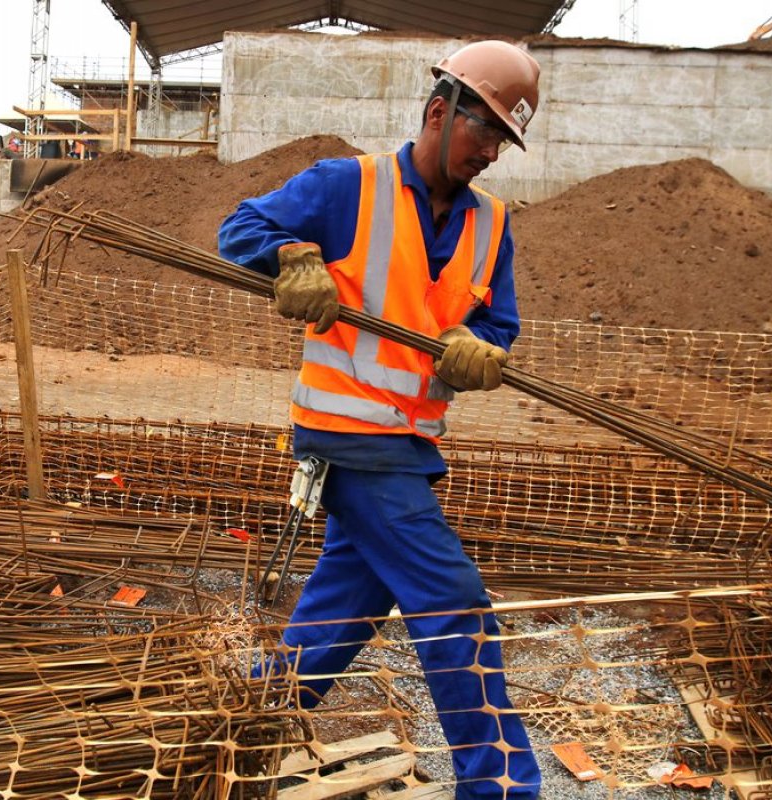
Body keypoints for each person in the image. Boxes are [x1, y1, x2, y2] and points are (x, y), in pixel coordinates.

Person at [218, 40, 542, 800]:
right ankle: (502, 789)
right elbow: (238, 230)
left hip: (409, 445)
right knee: (454, 601)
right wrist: (291, 256)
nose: (491, 152)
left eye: (503, 139)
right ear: (438, 111)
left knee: (346, 606)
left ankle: (236, 723)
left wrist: (481, 349)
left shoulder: (492, 225)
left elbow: (497, 325)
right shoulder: (347, 186)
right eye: (484, 130)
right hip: (349, 440)